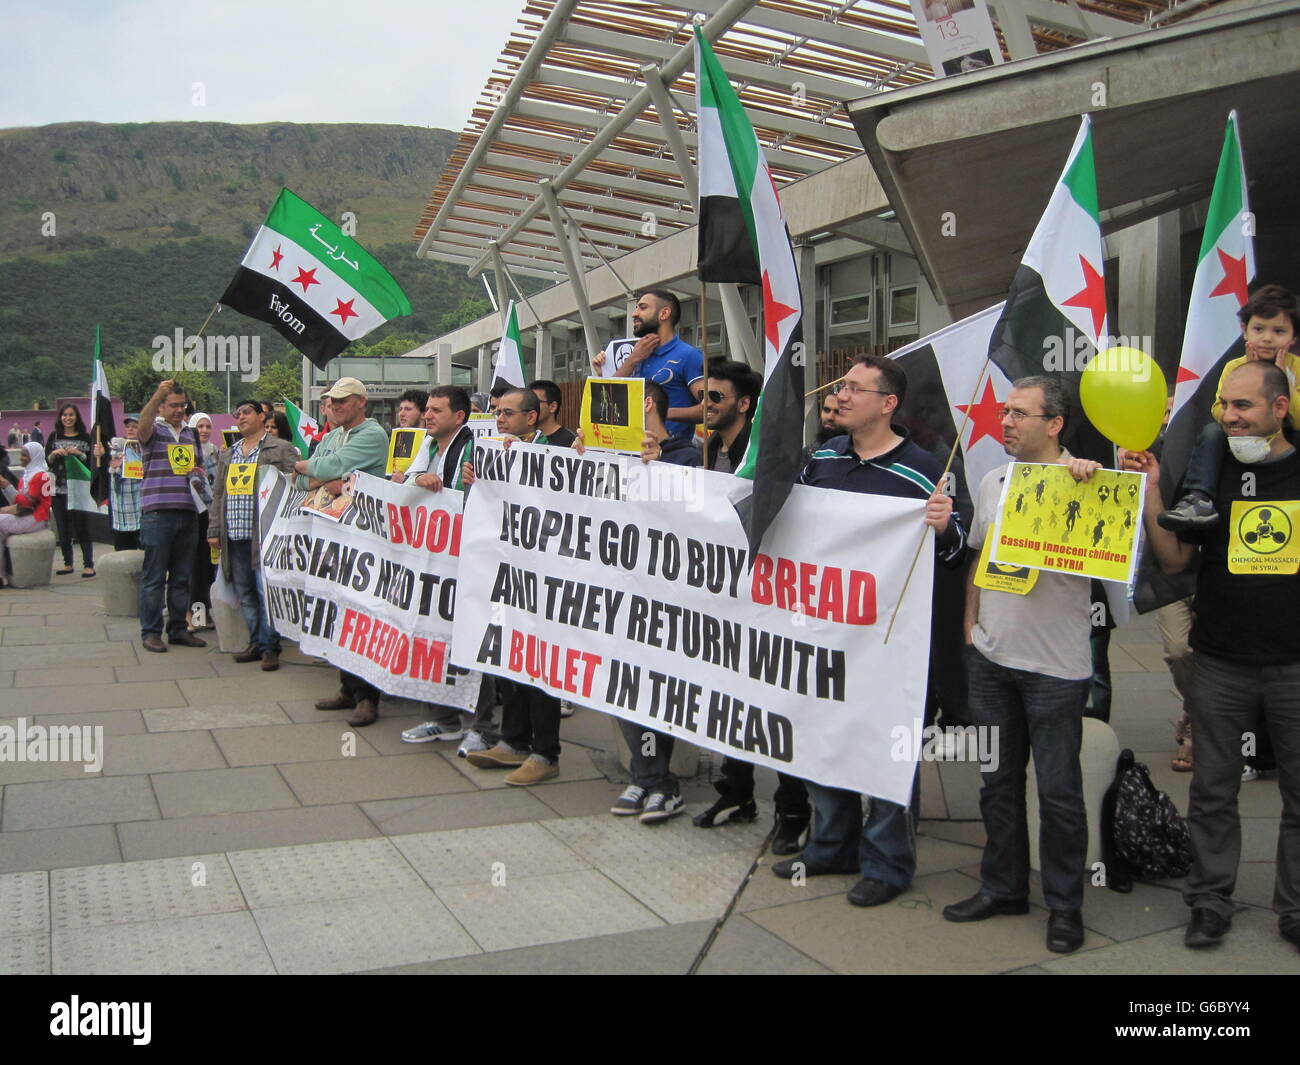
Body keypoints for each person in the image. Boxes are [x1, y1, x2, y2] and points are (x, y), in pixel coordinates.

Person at [773, 354, 967, 907]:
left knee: (889, 748)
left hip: (889, 641)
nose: (841, 396)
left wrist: (944, 526)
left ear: (888, 404)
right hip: (824, 631)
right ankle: (832, 842)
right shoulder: (821, 459)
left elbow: (957, 549)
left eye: (855, 388)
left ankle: (887, 863)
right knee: (822, 734)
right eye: (841, 387)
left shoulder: (923, 468)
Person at [1128, 360, 1299, 953]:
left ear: (1280, 409)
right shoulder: (1211, 469)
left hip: (1294, 664)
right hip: (1220, 658)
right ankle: (1208, 901)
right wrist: (1153, 492)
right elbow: (1175, 562)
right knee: (1213, 790)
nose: (1228, 416)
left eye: (1243, 407)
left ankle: (1295, 908)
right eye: (1224, 405)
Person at [943, 375, 1100, 955]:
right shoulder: (992, 480)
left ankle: (1064, 906)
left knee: (1059, 793)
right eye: (1004, 412)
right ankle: (1003, 887)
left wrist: (1091, 480)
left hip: (1055, 669)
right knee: (996, 785)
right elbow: (980, 557)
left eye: (1019, 414)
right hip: (990, 659)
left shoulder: (1086, 483)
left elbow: (1119, 555)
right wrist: (970, 629)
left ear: (1054, 424)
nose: (1004, 422)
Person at [693, 360, 813, 853]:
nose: (705, 406)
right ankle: (736, 793)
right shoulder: (708, 450)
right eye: (702, 397)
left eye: (715, 398)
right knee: (729, 703)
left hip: (766, 603)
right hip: (724, 602)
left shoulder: (767, 457)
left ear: (745, 405)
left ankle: (791, 811)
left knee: (777, 709)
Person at [602, 382, 697, 822]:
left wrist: (659, 472)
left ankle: (660, 783)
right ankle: (645, 777)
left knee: (660, 690)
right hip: (622, 591)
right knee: (623, 685)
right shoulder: (612, 456)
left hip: (667, 600)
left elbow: (695, 520)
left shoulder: (687, 455)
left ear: (643, 405)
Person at [464, 389, 562, 785]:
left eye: (507, 413)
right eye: (496, 412)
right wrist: (475, 479)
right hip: (505, 573)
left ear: (533, 417)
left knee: (540, 665)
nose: (499, 419)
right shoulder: (496, 450)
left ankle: (546, 752)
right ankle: (514, 741)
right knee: (509, 657)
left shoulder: (562, 448)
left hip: (544, 578)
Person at [1159, 284, 1299, 531]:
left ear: (1293, 337)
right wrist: (1249, 377)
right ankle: (1200, 497)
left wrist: (1280, 380)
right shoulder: (1235, 366)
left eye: (1278, 331)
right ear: (1245, 331)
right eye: (1259, 329)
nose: (1267, 338)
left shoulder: (1296, 366)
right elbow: (1219, 411)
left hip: (1285, 438)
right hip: (1239, 439)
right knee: (1212, 432)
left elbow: (1296, 419)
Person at [302, 378, 390, 726]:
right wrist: (326, 477)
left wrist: (318, 473)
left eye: (341, 401)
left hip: (365, 535)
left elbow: (317, 469)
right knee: (339, 609)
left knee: (363, 613)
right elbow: (311, 476)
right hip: (336, 534)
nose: (335, 407)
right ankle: (348, 687)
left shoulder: (371, 435)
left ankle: (368, 696)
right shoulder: (336, 435)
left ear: (361, 402)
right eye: (331, 402)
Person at [396, 386, 477, 745]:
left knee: (462, 640)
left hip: (465, 562)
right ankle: (442, 717)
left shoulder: (474, 447)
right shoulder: (428, 446)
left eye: (436, 411)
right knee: (431, 636)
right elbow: (402, 481)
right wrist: (418, 479)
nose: (427, 416)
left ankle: (473, 721)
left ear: (458, 417)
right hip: (433, 560)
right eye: (426, 409)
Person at [209, 399, 300, 671]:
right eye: (237, 414)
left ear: (263, 416)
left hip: (266, 534)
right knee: (245, 591)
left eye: (247, 412)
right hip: (234, 533)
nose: (241, 418)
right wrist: (214, 529)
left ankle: (271, 646)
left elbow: (295, 487)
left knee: (266, 590)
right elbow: (218, 494)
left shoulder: (281, 448)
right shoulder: (229, 454)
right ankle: (256, 641)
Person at [136, 380, 209, 653]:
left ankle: (178, 628)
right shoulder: (153, 429)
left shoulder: (191, 434)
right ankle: (151, 631)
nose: (180, 410)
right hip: (157, 512)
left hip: (188, 511)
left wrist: (199, 477)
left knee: (182, 577)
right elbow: (141, 428)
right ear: (161, 406)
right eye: (174, 405)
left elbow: (199, 467)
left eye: (183, 405)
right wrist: (156, 395)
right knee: (154, 576)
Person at [594, 289, 704, 440]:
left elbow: (708, 408)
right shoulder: (634, 355)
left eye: (643, 307)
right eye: (636, 308)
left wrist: (662, 412)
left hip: (669, 454)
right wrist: (631, 360)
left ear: (664, 313)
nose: (634, 314)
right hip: (630, 452)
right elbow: (608, 404)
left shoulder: (688, 355)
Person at [45, 403, 95, 577]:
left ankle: (88, 564)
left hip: (79, 489)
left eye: (71, 415)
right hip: (58, 490)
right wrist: (55, 454)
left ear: (77, 417)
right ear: (60, 418)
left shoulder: (86, 438)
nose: (67, 418)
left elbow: (91, 462)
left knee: (82, 527)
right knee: (63, 528)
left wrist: (78, 454)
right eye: (64, 415)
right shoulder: (54, 436)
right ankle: (68, 563)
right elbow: (48, 461)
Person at [0, 443, 54, 586]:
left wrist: (7, 486)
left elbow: (28, 504)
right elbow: (17, 501)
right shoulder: (27, 475)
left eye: (25, 455)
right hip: (26, 515)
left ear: (34, 456)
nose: (21, 458)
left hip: (37, 518)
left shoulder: (41, 476)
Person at [187, 412, 218, 631]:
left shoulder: (216, 452)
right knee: (195, 569)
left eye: (208, 426)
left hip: (212, 515)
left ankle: (208, 613)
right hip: (193, 515)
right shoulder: (188, 453)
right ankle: (194, 616)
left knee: (210, 569)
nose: (205, 430)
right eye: (200, 427)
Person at [95, 414, 142, 551]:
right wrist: (103, 455)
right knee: (123, 552)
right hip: (119, 512)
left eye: (134, 426)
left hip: (138, 510)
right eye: (128, 426)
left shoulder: (145, 449)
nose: (130, 429)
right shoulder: (115, 449)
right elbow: (106, 470)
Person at [529, 379, 576, 447]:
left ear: (552, 407)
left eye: (535, 402)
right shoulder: (523, 439)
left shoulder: (571, 442)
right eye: (528, 402)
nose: (530, 407)